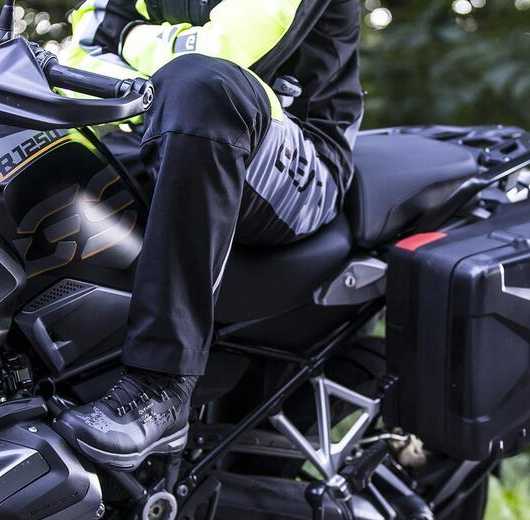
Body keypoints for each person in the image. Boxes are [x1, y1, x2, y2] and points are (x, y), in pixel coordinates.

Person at [53, 0, 363, 468]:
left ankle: (162, 383)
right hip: (158, 128)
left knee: (201, 86)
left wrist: (129, 37)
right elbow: (80, 54)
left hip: (298, 154)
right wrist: (145, 52)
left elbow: (226, 50)